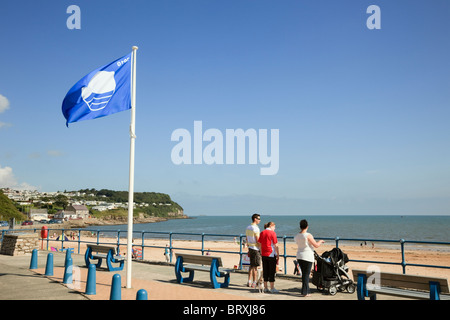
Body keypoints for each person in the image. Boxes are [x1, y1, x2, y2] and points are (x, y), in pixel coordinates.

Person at [294, 219, 325, 297]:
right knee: (306, 274)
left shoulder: (297, 235)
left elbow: (298, 243)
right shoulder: (308, 235)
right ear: (307, 226)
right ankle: (305, 292)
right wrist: (320, 241)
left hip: (299, 256)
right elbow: (316, 245)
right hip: (307, 256)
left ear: (300, 227)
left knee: (304, 274)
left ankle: (306, 291)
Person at [258, 221, 279, 293]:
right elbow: (276, 245)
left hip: (264, 254)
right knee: (272, 271)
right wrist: (278, 255)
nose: (274, 228)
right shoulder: (273, 233)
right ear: (270, 226)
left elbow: (259, 244)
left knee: (265, 270)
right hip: (271, 253)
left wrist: (261, 252)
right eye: (274, 227)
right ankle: (272, 288)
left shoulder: (262, 232)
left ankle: (266, 287)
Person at [245, 213, 261, 288]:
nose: (259, 220)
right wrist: (261, 247)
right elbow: (258, 240)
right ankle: (254, 282)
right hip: (255, 248)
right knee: (255, 267)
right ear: (255, 219)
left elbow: (247, 238)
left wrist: (248, 244)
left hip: (250, 247)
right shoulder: (256, 228)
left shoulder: (248, 227)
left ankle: (249, 281)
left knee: (251, 265)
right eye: (259, 219)